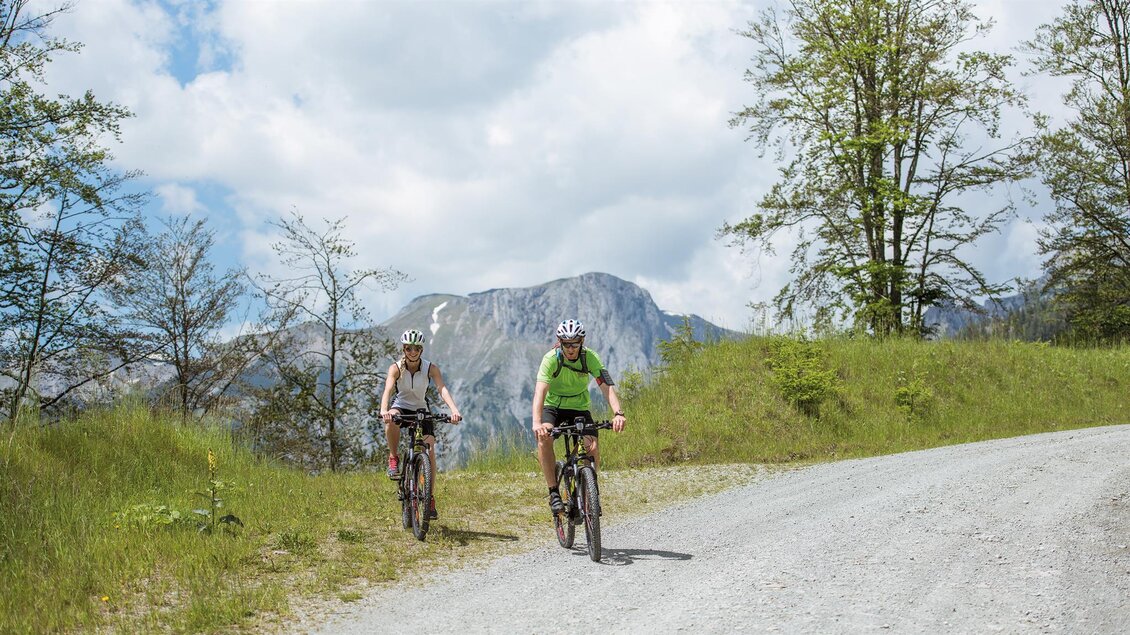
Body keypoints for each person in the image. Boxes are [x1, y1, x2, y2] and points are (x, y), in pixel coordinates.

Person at [532, 318, 626, 514]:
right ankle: (554, 493)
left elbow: (606, 388)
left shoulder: (590, 357)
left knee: (591, 446)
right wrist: (537, 423)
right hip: (554, 407)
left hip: (579, 408)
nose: (570, 348)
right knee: (544, 438)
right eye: (566, 344)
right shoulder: (551, 359)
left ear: (581, 341)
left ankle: (590, 491)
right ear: (560, 342)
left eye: (574, 343)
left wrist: (618, 413)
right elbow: (540, 391)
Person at [380, 328, 463, 519]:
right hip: (400, 406)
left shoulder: (430, 368)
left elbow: (442, 389)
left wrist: (454, 411)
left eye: (416, 348)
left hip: (421, 409)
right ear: (404, 349)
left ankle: (429, 498)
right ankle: (393, 457)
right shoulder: (396, 368)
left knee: (430, 451)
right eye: (408, 348)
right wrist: (384, 411)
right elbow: (388, 389)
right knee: (391, 420)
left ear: (421, 350)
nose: (412, 352)